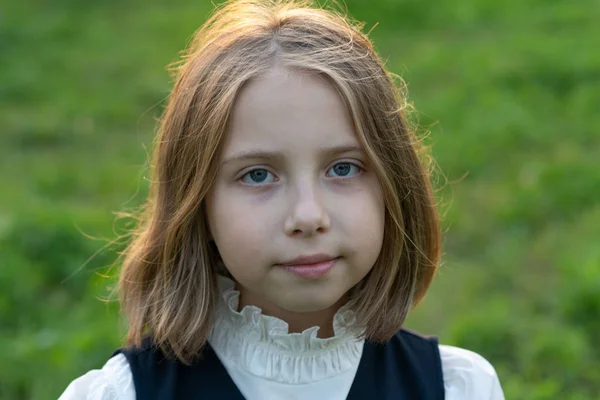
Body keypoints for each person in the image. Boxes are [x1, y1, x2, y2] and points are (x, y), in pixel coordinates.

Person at [59, 0, 505, 399]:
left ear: (394, 183)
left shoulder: (458, 387)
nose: (308, 217)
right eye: (257, 175)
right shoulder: (119, 394)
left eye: (343, 168)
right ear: (197, 207)